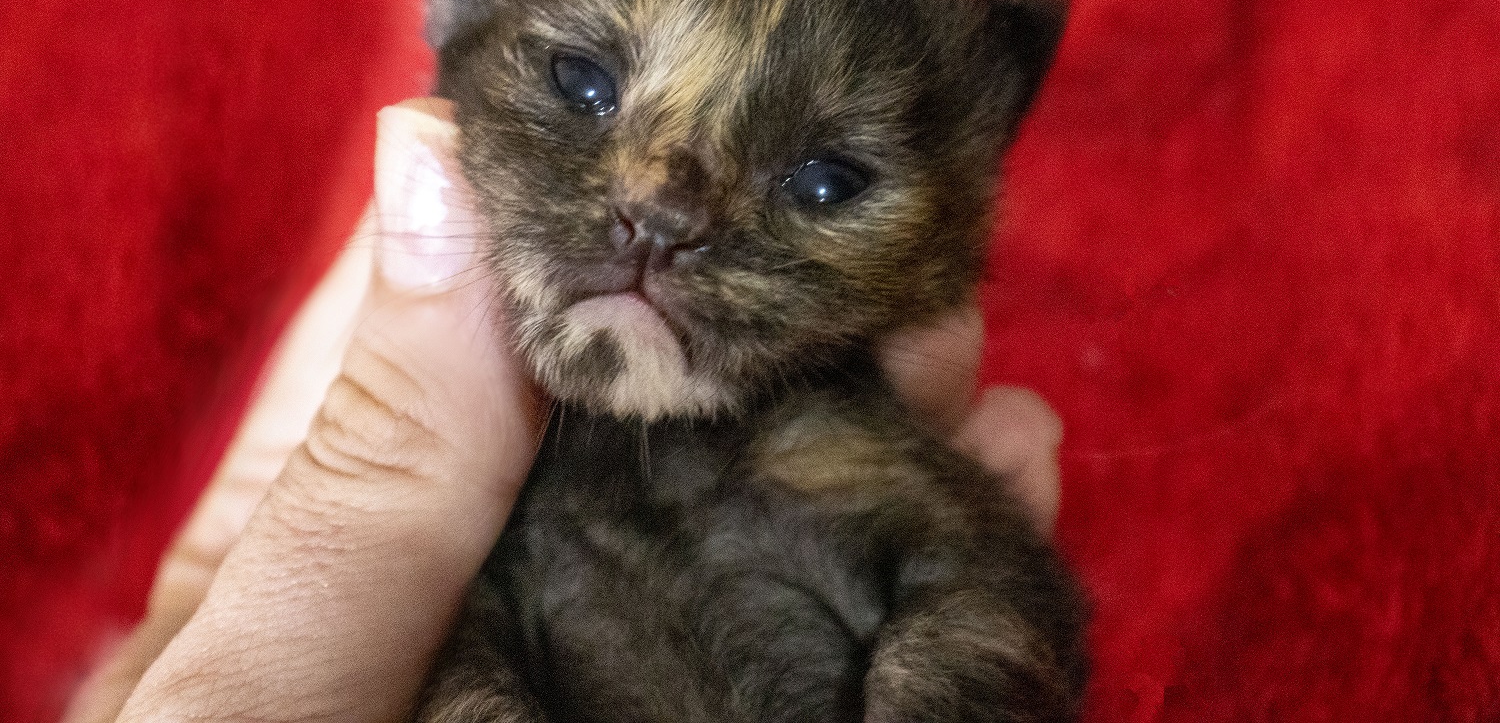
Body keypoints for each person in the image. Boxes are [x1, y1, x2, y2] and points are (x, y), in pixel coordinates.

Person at [63, 99, 1066, 723]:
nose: (665, 202)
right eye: (584, 85)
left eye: (820, 179)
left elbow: (988, 599)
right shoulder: (473, 536)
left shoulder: (856, 441)